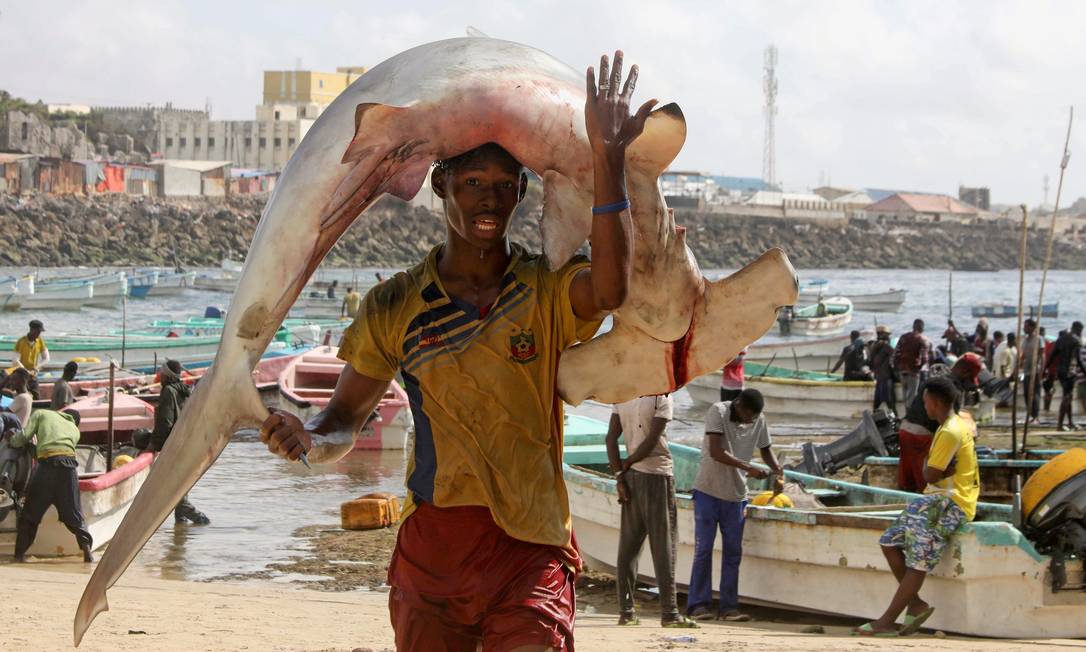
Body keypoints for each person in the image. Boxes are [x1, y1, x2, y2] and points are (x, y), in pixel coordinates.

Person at [258, 50, 649, 651]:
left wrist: (608, 157)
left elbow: (612, 289)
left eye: (502, 187)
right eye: (472, 185)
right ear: (440, 187)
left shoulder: (545, 287)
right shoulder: (395, 306)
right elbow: (342, 420)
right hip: (434, 554)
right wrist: (311, 437)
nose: (488, 201)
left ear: (522, 192)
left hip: (530, 548)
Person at [854, 376, 978, 637]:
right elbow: (931, 472)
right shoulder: (950, 426)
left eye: (925, 402)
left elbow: (930, 475)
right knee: (889, 541)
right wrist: (932, 469)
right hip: (935, 497)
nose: (925, 407)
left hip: (951, 501)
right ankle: (916, 604)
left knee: (919, 558)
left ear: (933, 402)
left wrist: (932, 469)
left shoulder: (950, 431)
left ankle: (886, 620)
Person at [687, 389, 783, 622]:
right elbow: (716, 451)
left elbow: (766, 449)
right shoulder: (717, 411)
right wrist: (748, 467)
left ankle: (729, 607)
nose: (751, 420)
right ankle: (699, 605)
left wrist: (779, 472)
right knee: (703, 550)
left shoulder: (759, 418)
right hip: (708, 491)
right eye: (748, 415)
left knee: (733, 553)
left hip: (737, 497)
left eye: (754, 416)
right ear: (738, 405)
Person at [605, 394, 696, 628]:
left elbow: (610, 439)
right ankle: (670, 613)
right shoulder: (661, 396)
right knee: (664, 547)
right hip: (657, 475)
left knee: (628, 548)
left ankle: (626, 612)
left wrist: (620, 475)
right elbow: (652, 440)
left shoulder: (623, 394)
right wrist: (629, 462)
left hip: (631, 479)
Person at [10, 408, 95, 563]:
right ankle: (87, 552)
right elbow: (60, 450)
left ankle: (18, 556)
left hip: (47, 468)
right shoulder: (75, 430)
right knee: (75, 515)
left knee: (30, 514)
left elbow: (23, 438)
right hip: (69, 470)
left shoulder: (42, 414)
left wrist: (12, 439)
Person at [895, 353, 981, 493]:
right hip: (921, 435)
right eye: (968, 377)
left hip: (906, 429)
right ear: (964, 372)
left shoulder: (938, 380)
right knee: (926, 485)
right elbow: (948, 422)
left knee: (908, 481)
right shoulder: (953, 389)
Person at [150, 360, 209, 525]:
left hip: (174, 445)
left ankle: (202, 520)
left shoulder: (168, 391)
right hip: (188, 442)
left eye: (162, 373)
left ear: (167, 376)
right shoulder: (184, 390)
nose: (160, 376)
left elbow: (165, 422)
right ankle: (180, 533)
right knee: (180, 485)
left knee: (173, 491)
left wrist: (153, 445)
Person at [1046, 321, 1084, 431]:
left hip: (1060, 371)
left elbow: (1052, 356)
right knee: (1067, 397)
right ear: (1078, 329)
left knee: (1068, 396)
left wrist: (1045, 369)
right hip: (1070, 371)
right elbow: (1079, 360)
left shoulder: (1060, 339)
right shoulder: (1076, 341)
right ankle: (1059, 425)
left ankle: (1070, 422)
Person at [894, 319, 930, 406]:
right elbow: (925, 358)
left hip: (902, 371)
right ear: (921, 327)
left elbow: (895, 354)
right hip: (913, 372)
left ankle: (907, 415)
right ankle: (909, 417)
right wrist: (918, 367)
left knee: (905, 397)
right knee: (912, 397)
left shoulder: (903, 337)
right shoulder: (921, 339)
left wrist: (898, 367)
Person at [11, 319, 49, 399]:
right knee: (21, 396)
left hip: (33, 375)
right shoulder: (21, 342)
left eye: (40, 332)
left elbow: (46, 358)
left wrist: (37, 367)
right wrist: (25, 371)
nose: (39, 334)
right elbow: (15, 360)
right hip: (21, 376)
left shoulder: (40, 341)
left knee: (36, 397)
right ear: (32, 329)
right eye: (38, 331)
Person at [1020, 319, 1044, 424]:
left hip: (1036, 370)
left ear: (1032, 327)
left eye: (1026, 326)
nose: (1024, 328)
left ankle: (1036, 417)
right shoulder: (1025, 340)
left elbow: (1043, 355)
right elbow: (1023, 355)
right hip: (1026, 371)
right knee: (1026, 394)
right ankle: (1031, 415)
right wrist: (1019, 364)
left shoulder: (1039, 339)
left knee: (1035, 394)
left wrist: (1042, 370)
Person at [869, 325, 896, 414]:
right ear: (883, 335)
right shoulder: (886, 346)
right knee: (890, 405)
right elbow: (896, 356)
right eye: (887, 335)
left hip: (879, 380)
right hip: (886, 379)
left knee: (876, 405)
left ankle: (874, 423)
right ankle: (896, 423)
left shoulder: (873, 346)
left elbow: (870, 362)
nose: (889, 337)